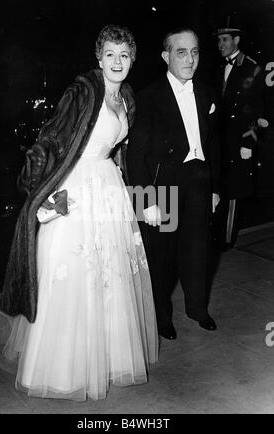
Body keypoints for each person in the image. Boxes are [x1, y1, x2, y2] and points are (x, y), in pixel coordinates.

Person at [0, 24, 158, 401]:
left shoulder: (127, 96)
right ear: (98, 58)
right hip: (75, 187)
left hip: (108, 188)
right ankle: (62, 369)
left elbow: (119, 151)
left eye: (124, 55)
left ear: (132, 60)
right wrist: (39, 191)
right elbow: (49, 139)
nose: (117, 61)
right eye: (110, 54)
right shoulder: (83, 91)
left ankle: (106, 359)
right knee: (72, 273)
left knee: (110, 274)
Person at [127, 27, 220, 341]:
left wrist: (215, 189)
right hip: (163, 186)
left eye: (195, 52)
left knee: (198, 252)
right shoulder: (148, 97)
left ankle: (197, 308)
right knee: (162, 258)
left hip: (199, 181)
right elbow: (135, 156)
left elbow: (214, 144)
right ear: (166, 56)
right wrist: (145, 200)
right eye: (182, 52)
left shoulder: (206, 92)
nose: (190, 59)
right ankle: (161, 317)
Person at [213, 18, 265, 250]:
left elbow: (258, 109)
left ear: (236, 40)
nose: (220, 44)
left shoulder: (251, 67)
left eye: (224, 40)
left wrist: (249, 142)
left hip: (239, 140)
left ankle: (227, 238)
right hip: (221, 139)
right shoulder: (218, 68)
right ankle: (218, 235)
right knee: (220, 186)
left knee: (234, 189)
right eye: (218, 41)